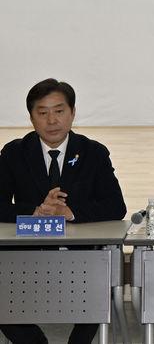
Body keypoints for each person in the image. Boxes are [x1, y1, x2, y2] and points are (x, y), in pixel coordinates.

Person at [0, 78, 127, 344]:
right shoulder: (14, 153)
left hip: (83, 260)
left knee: (99, 285)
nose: (52, 120)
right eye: (42, 113)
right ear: (31, 117)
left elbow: (116, 206)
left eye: (59, 111)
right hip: (26, 259)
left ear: (72, 113)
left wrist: (70, 213)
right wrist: (35, 212)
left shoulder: (93, 152)